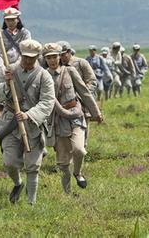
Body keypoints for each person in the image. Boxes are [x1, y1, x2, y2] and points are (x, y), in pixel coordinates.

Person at [0, 40, 55, 205]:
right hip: (10, 123)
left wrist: (29, 115)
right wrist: (6, 84)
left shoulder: (44, 76)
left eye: (32, 58)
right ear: (21, 55)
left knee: (32, 166)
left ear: (37, 57)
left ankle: (31, 203)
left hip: (33, 125)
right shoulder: (9, 70)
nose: (28, 61)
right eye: (25, 57)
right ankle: (18, 183)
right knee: (10, 162)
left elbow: (47, 102)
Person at [43, 43, 103, 194]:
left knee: (80, 150)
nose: (52, 60)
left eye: (55, 56)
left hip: (76, 116)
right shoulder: (42, 76)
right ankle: (67, 193)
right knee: (63, 164)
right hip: (57, 121)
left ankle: (78, 172)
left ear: (60, 57)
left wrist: (96, 113)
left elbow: (84, 92)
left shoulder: (70, 71)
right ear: (45, 59)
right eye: (49, 58)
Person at [0, 8, 31, 75]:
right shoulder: (0, 34)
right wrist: (2, 69)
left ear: (18, 19)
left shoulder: (25, 33)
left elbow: (25, 52)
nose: (10, 22)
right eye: (8, 20)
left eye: (13, 20)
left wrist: (14, 67)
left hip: (21, 69)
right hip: (4, 70)